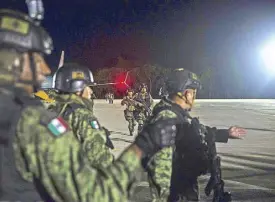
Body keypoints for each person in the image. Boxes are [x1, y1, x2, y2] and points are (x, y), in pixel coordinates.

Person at [0, 8, 179, 202]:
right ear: (12, 62)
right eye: (36, 59)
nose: (45, 69)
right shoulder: (35, 124)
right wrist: (142, 145)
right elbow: (100, 195)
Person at [144, 68, 246, 202]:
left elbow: (200, 131)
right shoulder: (167, 118)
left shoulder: (176, 113)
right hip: (175, 192)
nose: (194, 98)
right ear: (186, 94)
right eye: (193, 93)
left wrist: (225, 133)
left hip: (181, 189)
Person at [49, 63, 114, 167]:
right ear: (78, 90)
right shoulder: (81, 115)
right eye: (87, 87)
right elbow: (100, 158)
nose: (91, 92)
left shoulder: (51, 110)